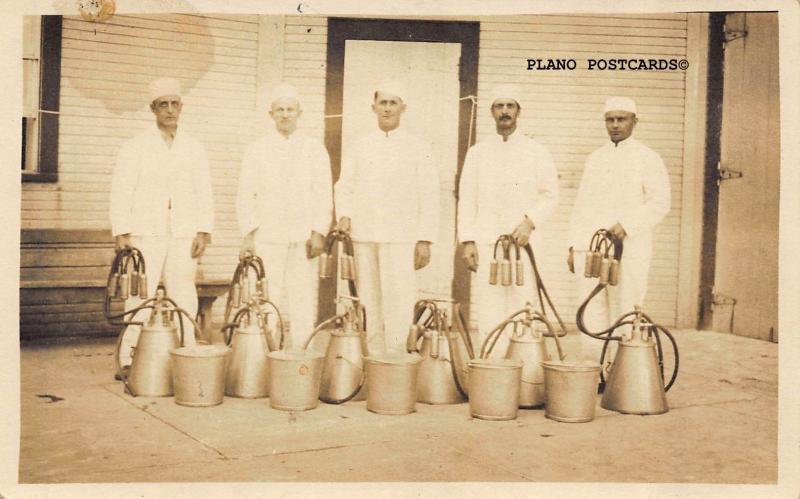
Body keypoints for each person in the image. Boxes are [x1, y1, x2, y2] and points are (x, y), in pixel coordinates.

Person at [110, 77, 214, 369]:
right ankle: (128, 358)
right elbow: (121, 190)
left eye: (174, 103)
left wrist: (203, 230)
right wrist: (122, 231)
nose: (170, 110)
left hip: (183, 232)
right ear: (153, 109)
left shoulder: (193, 147)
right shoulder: (136, 146)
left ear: (182, 106)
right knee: (137, 296)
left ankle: (188, 352)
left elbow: (203, 190)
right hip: (146, 232)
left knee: (183, 291)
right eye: (163, 104)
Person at [335, 79, 440, 353]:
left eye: (393, 103)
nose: (387, 108)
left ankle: (395, 360)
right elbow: (344, 186)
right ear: (373, 107)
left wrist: (425, 239)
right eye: (383, 102)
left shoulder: (418, 147)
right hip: (365, 235)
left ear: (403, 108)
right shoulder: (360, 145)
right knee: (369, 299)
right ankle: (375, 361)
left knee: (399, 299)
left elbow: (429, 195)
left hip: (401, 238)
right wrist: (344, 214)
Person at [567, 96, 671, 367]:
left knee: (625, 307)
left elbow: (660, 203)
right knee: (591, 309)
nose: (615, 125)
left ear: (634, 122)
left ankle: (623, 373)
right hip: (591, 250)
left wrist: (627, 225)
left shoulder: (648, 157)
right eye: (610, 119)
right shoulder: (595, 158)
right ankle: (595, 369)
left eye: (621, 119)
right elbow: (581, 205)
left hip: (630, 249)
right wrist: (573, 246)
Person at [457, 84, 559, 355]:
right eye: (499, 106)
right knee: (490, 308)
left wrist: (530, 222)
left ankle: (526, 374)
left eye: (510, 106)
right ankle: (491, 369)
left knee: (524, 305)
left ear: (518, 111)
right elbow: (467, 198)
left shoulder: (536, 151)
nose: (505, 112)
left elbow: (551, 194)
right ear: (491, 112)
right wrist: (468, 241)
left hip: (524, 245)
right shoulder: (478, 153)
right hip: (488, 244)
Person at [236, 83, 333, 349]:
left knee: (302, 297)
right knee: (267, 297)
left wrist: (318, 232)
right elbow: (246, 194)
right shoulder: (257, 149)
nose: (286, 114)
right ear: (271, 114)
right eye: (280, 109)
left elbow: (323, 193)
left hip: (303, 238)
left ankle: (302, 354)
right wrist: (248, 234)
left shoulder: (314, 149)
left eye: (291, 109)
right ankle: (265, 352)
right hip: (268, 236)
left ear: (299, 113)